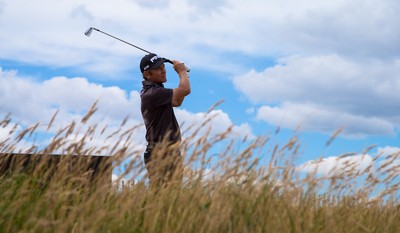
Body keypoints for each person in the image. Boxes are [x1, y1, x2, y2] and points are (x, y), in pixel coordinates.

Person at [139, 53, 191, 189]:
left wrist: (185, 76)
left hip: (168, 151)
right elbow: (185, 89)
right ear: (148, 75)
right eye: (158, 68)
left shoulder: (157, 91)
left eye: (163, 66)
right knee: (161, 200)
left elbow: (177, 100)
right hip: (160, 152)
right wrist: (182, 72)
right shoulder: (153, 93)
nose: (163, 70)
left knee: (171, 199)